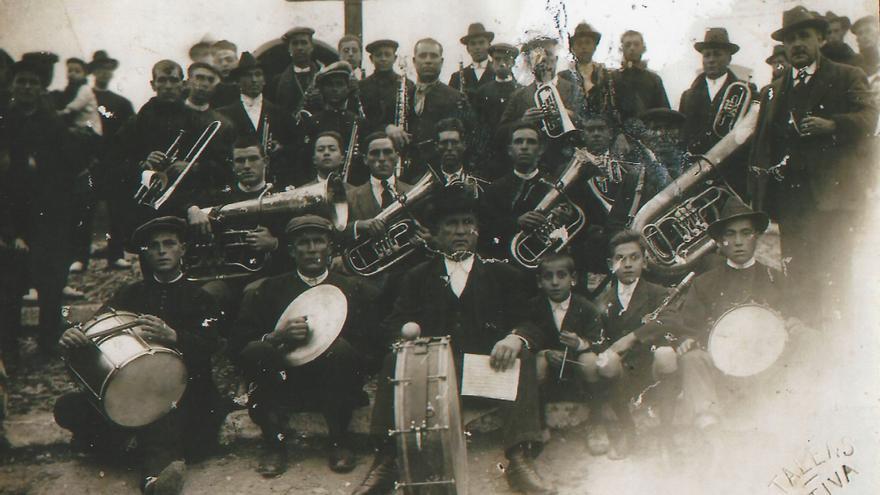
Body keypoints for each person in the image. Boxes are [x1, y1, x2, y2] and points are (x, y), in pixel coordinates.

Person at [351, 186, 556, 495]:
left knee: (523, 355)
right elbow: (391, 325)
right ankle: (387, 459)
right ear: (435, 232)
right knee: (394, 358)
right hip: (432, 383)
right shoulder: (417, 276)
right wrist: (407, 334)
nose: (461, 231)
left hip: (484, 376)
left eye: (467, 222)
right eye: (451, 224)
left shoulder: (505, 276)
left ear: (477, 229)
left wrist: (516, 338)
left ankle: (519, 459)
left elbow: (534, 322)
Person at [54, 216, 223, 495]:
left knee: (161, 417)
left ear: (183, 249)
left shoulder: (201, 297)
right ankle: (128, 444)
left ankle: (154, 480)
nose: (161, 251)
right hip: (132, 390)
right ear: (145, 253)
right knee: (68, 407)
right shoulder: (130, 293)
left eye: (169, 244)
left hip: (185, 393)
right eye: (153, 246)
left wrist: (175, 337)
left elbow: (212, 344)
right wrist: (74, 337)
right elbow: (95, 332)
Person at [749, 6, 878, 323]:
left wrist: (833, 125)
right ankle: (803, 338)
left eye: (804, 36)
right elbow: (765, 144)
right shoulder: (776, 88)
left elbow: (870, 118)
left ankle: (836, 342)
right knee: (797, 273)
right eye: (790, 39)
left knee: (835, 275)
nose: (797, 45)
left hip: (834, 201)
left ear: (820, 39)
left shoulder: (847, 75)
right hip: (792, 203)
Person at [230, 215, 381, 477]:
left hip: (334, 382)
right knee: (259, 351)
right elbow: (240, 347)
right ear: (291, 250)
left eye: (319, 241)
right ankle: (274, 444)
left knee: (343, 349)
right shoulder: (268, 290)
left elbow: (371, 348)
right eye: (303, 243)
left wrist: (333, 344)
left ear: (330, 248)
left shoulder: (354, 289)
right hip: (285, 381)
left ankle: (339, 440)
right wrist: (277, 337)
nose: (312, 249)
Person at [665, 198, 803, 429]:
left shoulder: (774, 277)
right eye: (730, 234)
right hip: (723, 367)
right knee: (692, 359)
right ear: (720, 241)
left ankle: (801, 409)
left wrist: (793, 324)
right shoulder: (704, 283)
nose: (738, 242)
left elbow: (791, 316)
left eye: (746, 233)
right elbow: (689, 327)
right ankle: (708, 424)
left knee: (807, 337)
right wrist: (686, 340)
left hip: (769, 363)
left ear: (756, 237)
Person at [1, 57, 83, 355]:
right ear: (12, 85)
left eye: (32, 83)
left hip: (49, 217)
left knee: (50, 284)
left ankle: (48, 344)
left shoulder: (53, 124)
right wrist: (9, 231)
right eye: (21, 81)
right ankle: (8, 347)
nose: (26, 87)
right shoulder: (4, 121)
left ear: (41, 88)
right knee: (10, 287)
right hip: (11, 215)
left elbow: (69, 170)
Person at [185, 135, 287, 321]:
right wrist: (192, 210)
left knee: (254, 294)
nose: (246, 165)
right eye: (240, 160)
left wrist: (275, 243)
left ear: (265, 161)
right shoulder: (219, 196)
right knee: (207, 295)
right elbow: (182, 203)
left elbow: (296, 241)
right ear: (232, 165)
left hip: (269, 276)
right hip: (225, 279)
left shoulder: (281, 198)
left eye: (253, 159)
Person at [678, 27, 755, 196]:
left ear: (729, 58)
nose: (711, 60)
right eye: (707, 55)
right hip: (695, 176)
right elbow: (682, 137)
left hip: (732, 175)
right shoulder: (688, 96)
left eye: (717, 54)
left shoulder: (745, 91)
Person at [385, 38, 472, 183]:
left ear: (442, 61)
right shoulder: (402, 94)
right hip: (404, 175)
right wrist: (388, 128)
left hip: (440, 176)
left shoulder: (456, 98)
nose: (428, 61)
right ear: (414, 60)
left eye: (433, 56)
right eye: (423, 56)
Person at [498, 36, 582, 171]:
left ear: (556, 59)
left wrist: (566, 114)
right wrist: (523, 121)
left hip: (566, 163)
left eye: (548, 54)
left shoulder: (574, 90)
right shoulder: (518, 96)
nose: (543, 59)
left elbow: (586, 125)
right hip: (532, 167)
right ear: (529, 62)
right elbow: (501, 133)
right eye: (537, 55)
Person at [216, 52, 294, 186]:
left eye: (258, 74)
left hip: (274, 184)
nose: (253, 79)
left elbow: (294, 149)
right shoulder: (223, 115)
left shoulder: (281, 114)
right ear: (238, 81)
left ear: (264, 80)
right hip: (237, 187)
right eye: (247, 75)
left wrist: (280, 148)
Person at [527, 252, 604, 388]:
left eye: (561, 275)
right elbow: (527, 340)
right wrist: (546, 353)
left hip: (577, 374)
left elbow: (599, 343)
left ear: (573, 278)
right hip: (545, 376)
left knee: (590, 361)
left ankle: (595, 405)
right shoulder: (532, 307)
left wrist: (579, 344)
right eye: (548, 277)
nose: (555, 282)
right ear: (539, 282)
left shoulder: (587, 308)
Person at [295, 61, 365, 185]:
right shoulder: (311, 122)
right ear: (321, 89)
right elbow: (304, 161)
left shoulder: (357, 121)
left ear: (348, 88)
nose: (335, 89)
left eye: (340, 84)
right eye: (330, 85)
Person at [342, 132, 414, 242]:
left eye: (387, 152)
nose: (381, 158)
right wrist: (357, 226)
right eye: (375, 153)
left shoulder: (413, 192)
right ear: (365, 159)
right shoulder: (350, 197)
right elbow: (336, 232)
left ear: (397, 157)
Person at [471, 42, 520, 180]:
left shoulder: (520, 91)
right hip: (490, 155)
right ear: (492, 62)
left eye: (506, 59)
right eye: (498, 59)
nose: (502, 63)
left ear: (513, 62)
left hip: (514, 154)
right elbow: (478, 124)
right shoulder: (483, 91)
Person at [558, 22, 615, 119]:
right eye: (579, 43)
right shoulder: (564, 76)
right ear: (573, 48)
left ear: (595, 46)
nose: (583, 47)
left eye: (588, 42)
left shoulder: (606, 74)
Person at [358, 39, 414, 136]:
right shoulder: (362, 86)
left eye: (387, 55)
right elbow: (360, 119)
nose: (383, 58)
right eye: (378, 55)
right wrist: (384, 128)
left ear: (395, 58)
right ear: (371, 58)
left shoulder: (407, 85)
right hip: (370, 139)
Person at [614, 30, 670, 123]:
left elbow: (664, 112)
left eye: (636, 44)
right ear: (621, 49)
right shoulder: (613, 78)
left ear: (643, 48)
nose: (632, 48)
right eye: (628, 45)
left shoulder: (654, 79)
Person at [270, 26, 322, 115]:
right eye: (295, 43)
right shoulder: (277, 81)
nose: (299, 48)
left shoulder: (322, 77)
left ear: (312, 47)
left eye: (304, 43)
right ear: (289, 49)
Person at [448, 22, 495, 94]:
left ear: (489, 46)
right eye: (473, 44)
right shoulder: (457, 77)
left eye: (481, 43)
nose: (477, 47)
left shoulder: (498, 72)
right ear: (468, 49)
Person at [210, 40, 241, 107]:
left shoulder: (250, 88)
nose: (224, 64)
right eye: (219, 61)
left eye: (229, 60)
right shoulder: (210, 94)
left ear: (237, 62)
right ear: (214, 65)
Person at [851, 15, 879, 84]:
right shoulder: (853, 65)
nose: (864, 36)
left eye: (868, 31)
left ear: (877, 33)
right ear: (857, 40)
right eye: (860, 33)